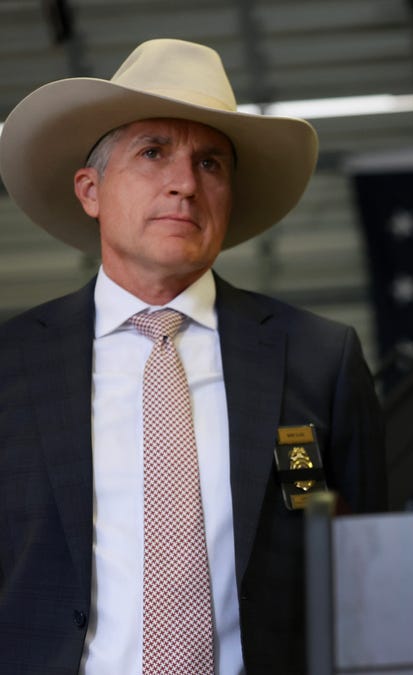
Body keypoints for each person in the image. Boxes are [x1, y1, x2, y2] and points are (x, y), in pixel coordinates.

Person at [0, 39, 386, 673]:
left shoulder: (319, 358)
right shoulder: (12, 364)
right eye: (153, 153)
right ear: (91, 190)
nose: (184, 183)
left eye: (210, 163)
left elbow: (367, 573)